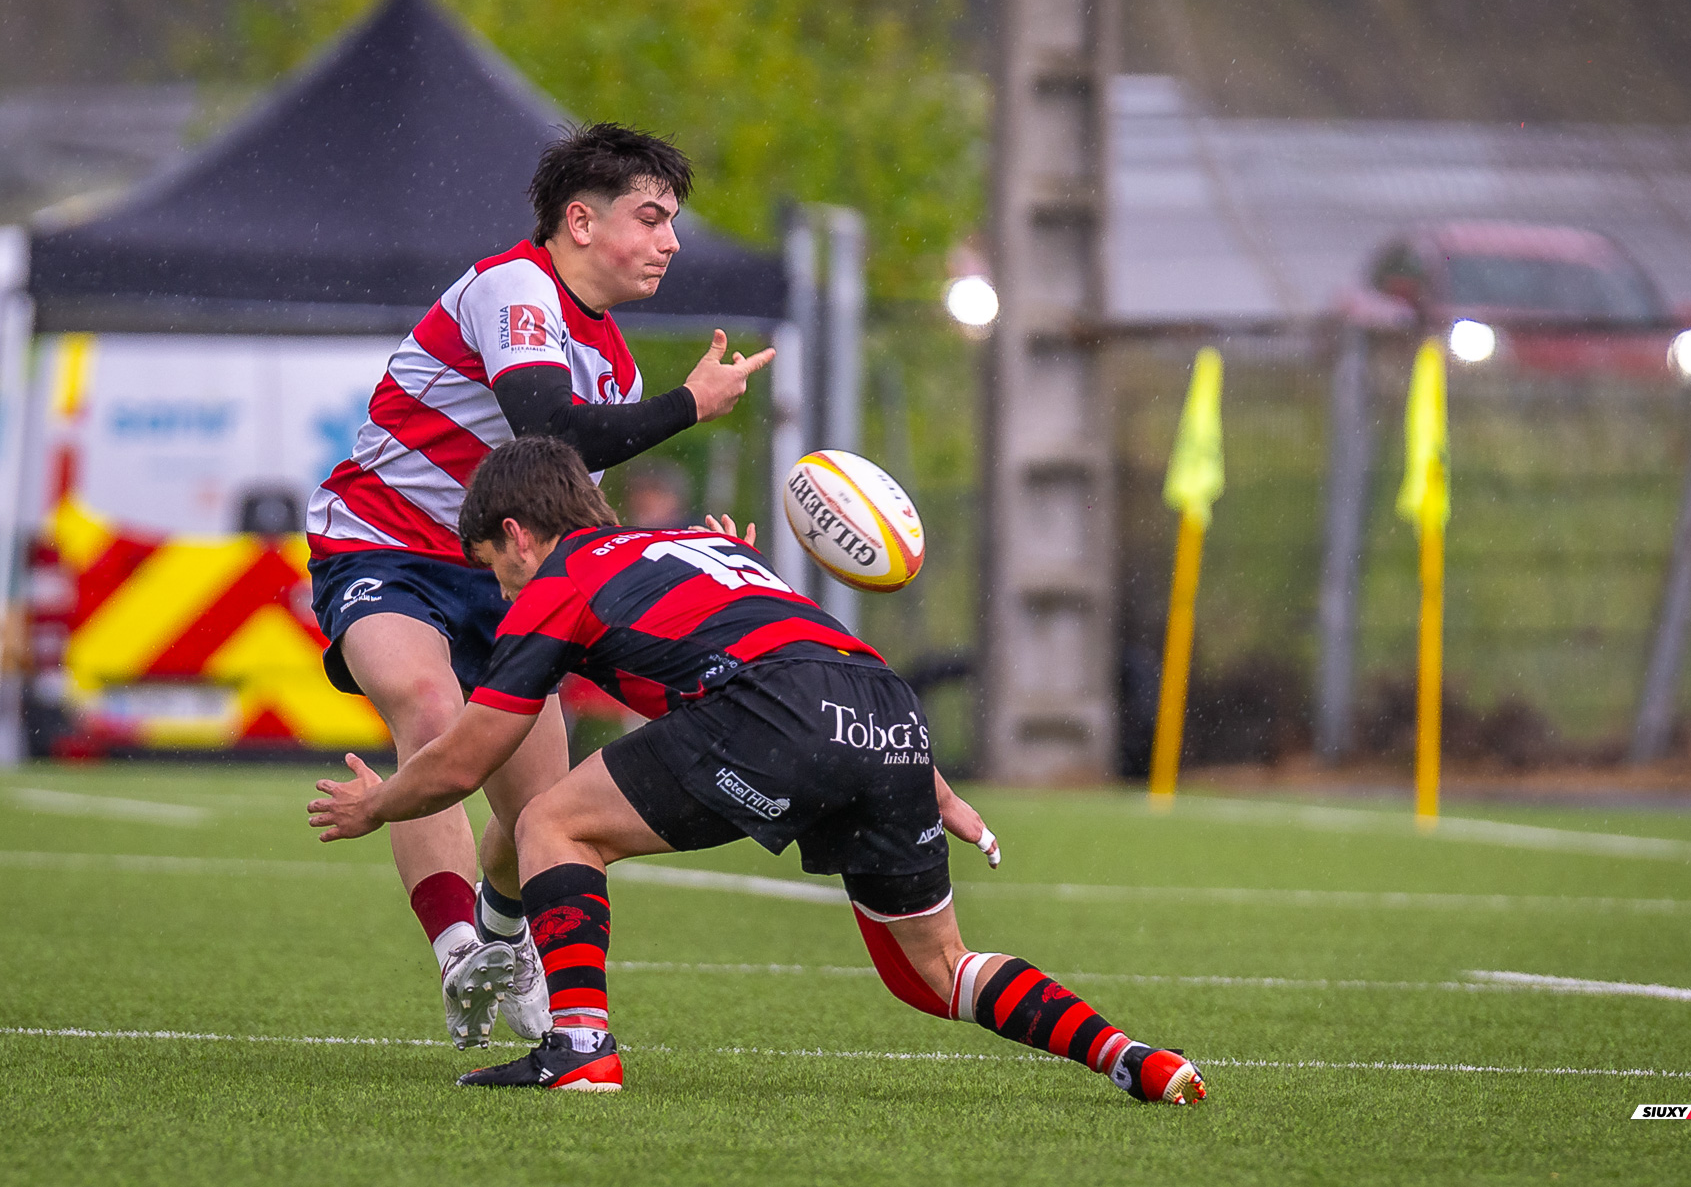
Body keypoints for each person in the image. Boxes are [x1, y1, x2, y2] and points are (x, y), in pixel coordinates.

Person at [308, 437, 1205, 1105]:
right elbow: (825, 653)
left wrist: (378, 802)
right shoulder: (708, 548)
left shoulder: (558, 582)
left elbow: (469, 754)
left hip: (781, 712)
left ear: (518, 535)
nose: (500, 591)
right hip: (888, 713)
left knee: (550, 820)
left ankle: (578, 1048)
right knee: (933, 972)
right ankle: (1134, 1058)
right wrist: (933, 782)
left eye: (495, 569)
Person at [304, 123, 774, 1050]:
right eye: (651, 217)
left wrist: (685, 546)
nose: (670, 241)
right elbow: (547, 426)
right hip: (382, 544)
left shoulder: (615, 360)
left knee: (547, 812)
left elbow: (575, 512)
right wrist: (692, 405)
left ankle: (505, 936)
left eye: (672, 221)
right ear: (580, 221)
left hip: (508, 571)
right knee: (432, 710)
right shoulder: (515, 285)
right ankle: (458, 953)